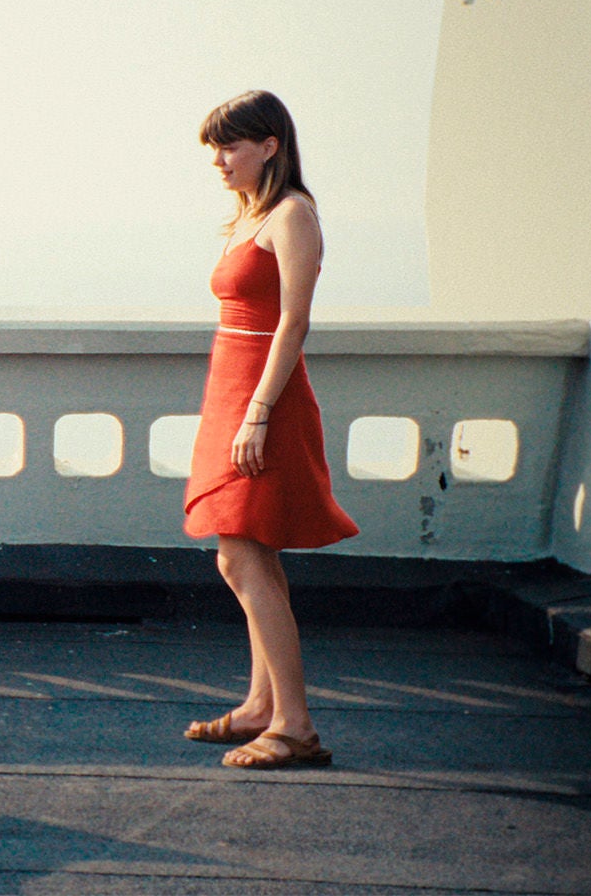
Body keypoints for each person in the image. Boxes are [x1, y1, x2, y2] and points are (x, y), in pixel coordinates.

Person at [181, 90, 358, 770]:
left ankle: (295, 727)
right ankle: (262, 707)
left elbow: (294, 321)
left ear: (270, 146)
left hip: (266, 396)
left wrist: (258, 411)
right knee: (250, 553)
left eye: (230, 146)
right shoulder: (249, 216)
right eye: (214, 149)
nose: (219, 161)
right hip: (234, 388)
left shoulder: (293, 213)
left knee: (240, 555)